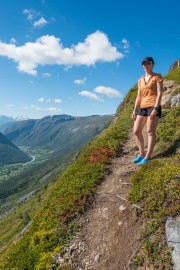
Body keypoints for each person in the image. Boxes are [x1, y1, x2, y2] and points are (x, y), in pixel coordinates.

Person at [131, 56, 163, 165]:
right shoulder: (140, 80)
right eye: (144, 63)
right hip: (143, 107)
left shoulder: (157, 76)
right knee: (136, 131)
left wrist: (156, 108)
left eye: (148, 63)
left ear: (152, 64)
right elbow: (138, 96)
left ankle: (148, 157)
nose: (145, 65)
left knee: (150, 131)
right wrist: (135, 110)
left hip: (153, 106)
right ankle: (141, 154)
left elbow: (159, 93)